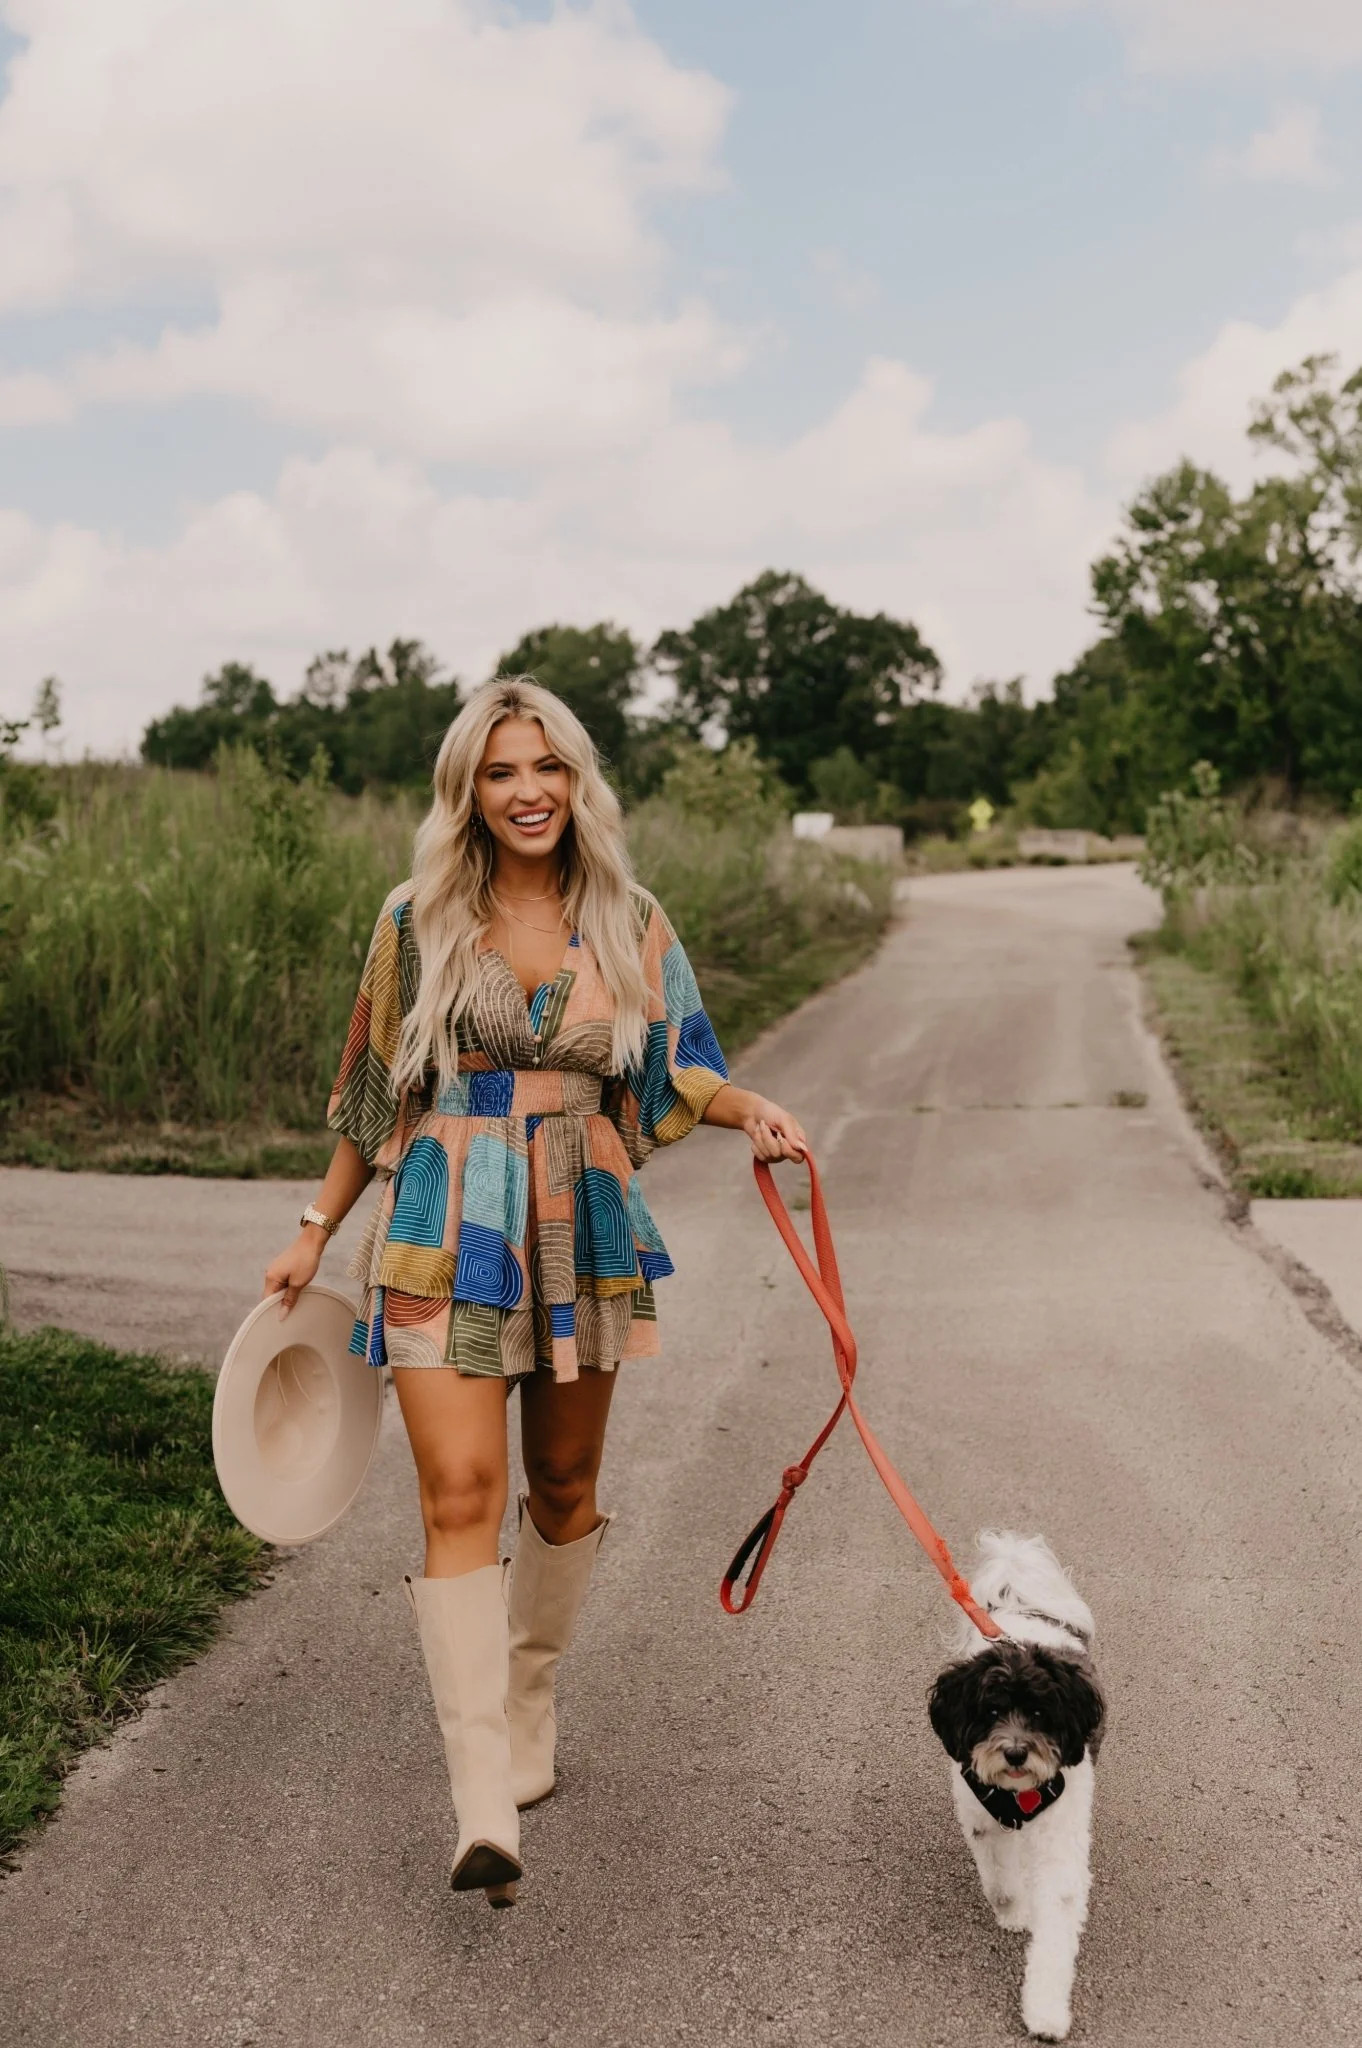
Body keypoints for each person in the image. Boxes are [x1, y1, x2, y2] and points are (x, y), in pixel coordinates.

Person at [262, 677, 807, 1909]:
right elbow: (370, 1095)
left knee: (562, 1486)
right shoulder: (415, 919)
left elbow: (684, 1064)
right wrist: (312, 1228)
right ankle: (480, 1800)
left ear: (578, 783)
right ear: (469, 787)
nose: (527, 792)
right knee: (462, 1490)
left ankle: (528, 1697)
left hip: (580, 1216)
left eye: (547, 768)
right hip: (441, 1217)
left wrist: (751, 1109)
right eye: (502, 771)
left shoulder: (628, 914)